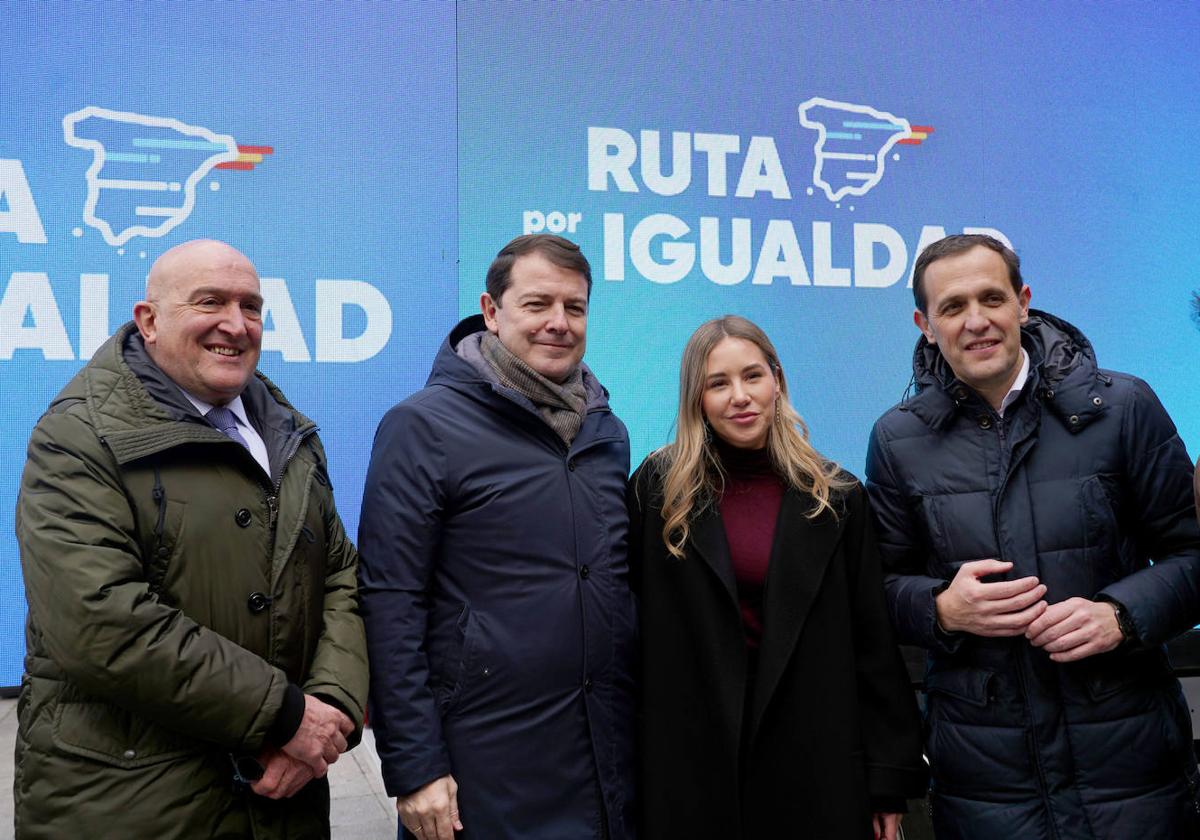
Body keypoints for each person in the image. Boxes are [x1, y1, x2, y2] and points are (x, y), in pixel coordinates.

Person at [13, 239, 369, 840]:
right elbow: (99, 621)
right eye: (211, 302)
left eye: (251, 307)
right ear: (148, 321)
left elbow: (338, 578)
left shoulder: (288, 433)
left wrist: (328, 710)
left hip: (285, 797)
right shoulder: (77, 436)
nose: (236, 324)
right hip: (129, 801)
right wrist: (284, 716)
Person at [866, 234, 1200, 838]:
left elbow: (1192, 556)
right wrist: (941, 608)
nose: (976, 322)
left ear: (1023, 301)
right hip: (986, 782)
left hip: (1130, 768)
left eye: (992, 298)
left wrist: (1121, 615)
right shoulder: (896, 439)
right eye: (952, 307)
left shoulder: (1123, 407)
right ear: (925, 323)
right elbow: (878, 588)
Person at [358, 233, 635, 840]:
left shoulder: (606, 433)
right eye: (537, 305)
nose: (558, 323)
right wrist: (415, 766)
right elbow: (389, 601)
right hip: (481, 775)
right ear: (491, 311)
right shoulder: (421, 426)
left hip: (600, 764)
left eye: (575, 308)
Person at [628, 315, 927, 840]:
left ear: (778, 381)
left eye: (753, 376)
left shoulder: (836, 496)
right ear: (695, 398)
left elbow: (873, 645)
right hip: (690, 771)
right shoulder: (656, 491)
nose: (739, 396)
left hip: (814, 767)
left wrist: (886, 780)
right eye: (718, 383)